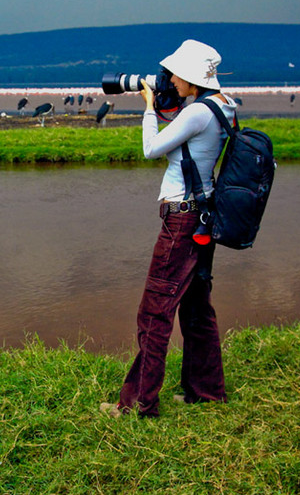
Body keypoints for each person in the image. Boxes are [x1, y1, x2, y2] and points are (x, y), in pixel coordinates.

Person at [102, 39, 237, 418]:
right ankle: (205, 392)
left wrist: (148, 107)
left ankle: (138, 403)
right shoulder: (223, 105)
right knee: (195, 309)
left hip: (182, 219)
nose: (171, 79)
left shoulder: (196, 114)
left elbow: (151, 149)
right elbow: (189, 140)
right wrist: (166, 103)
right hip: (203, 216)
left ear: (192, 78)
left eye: (177, 73)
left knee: (155, 311)